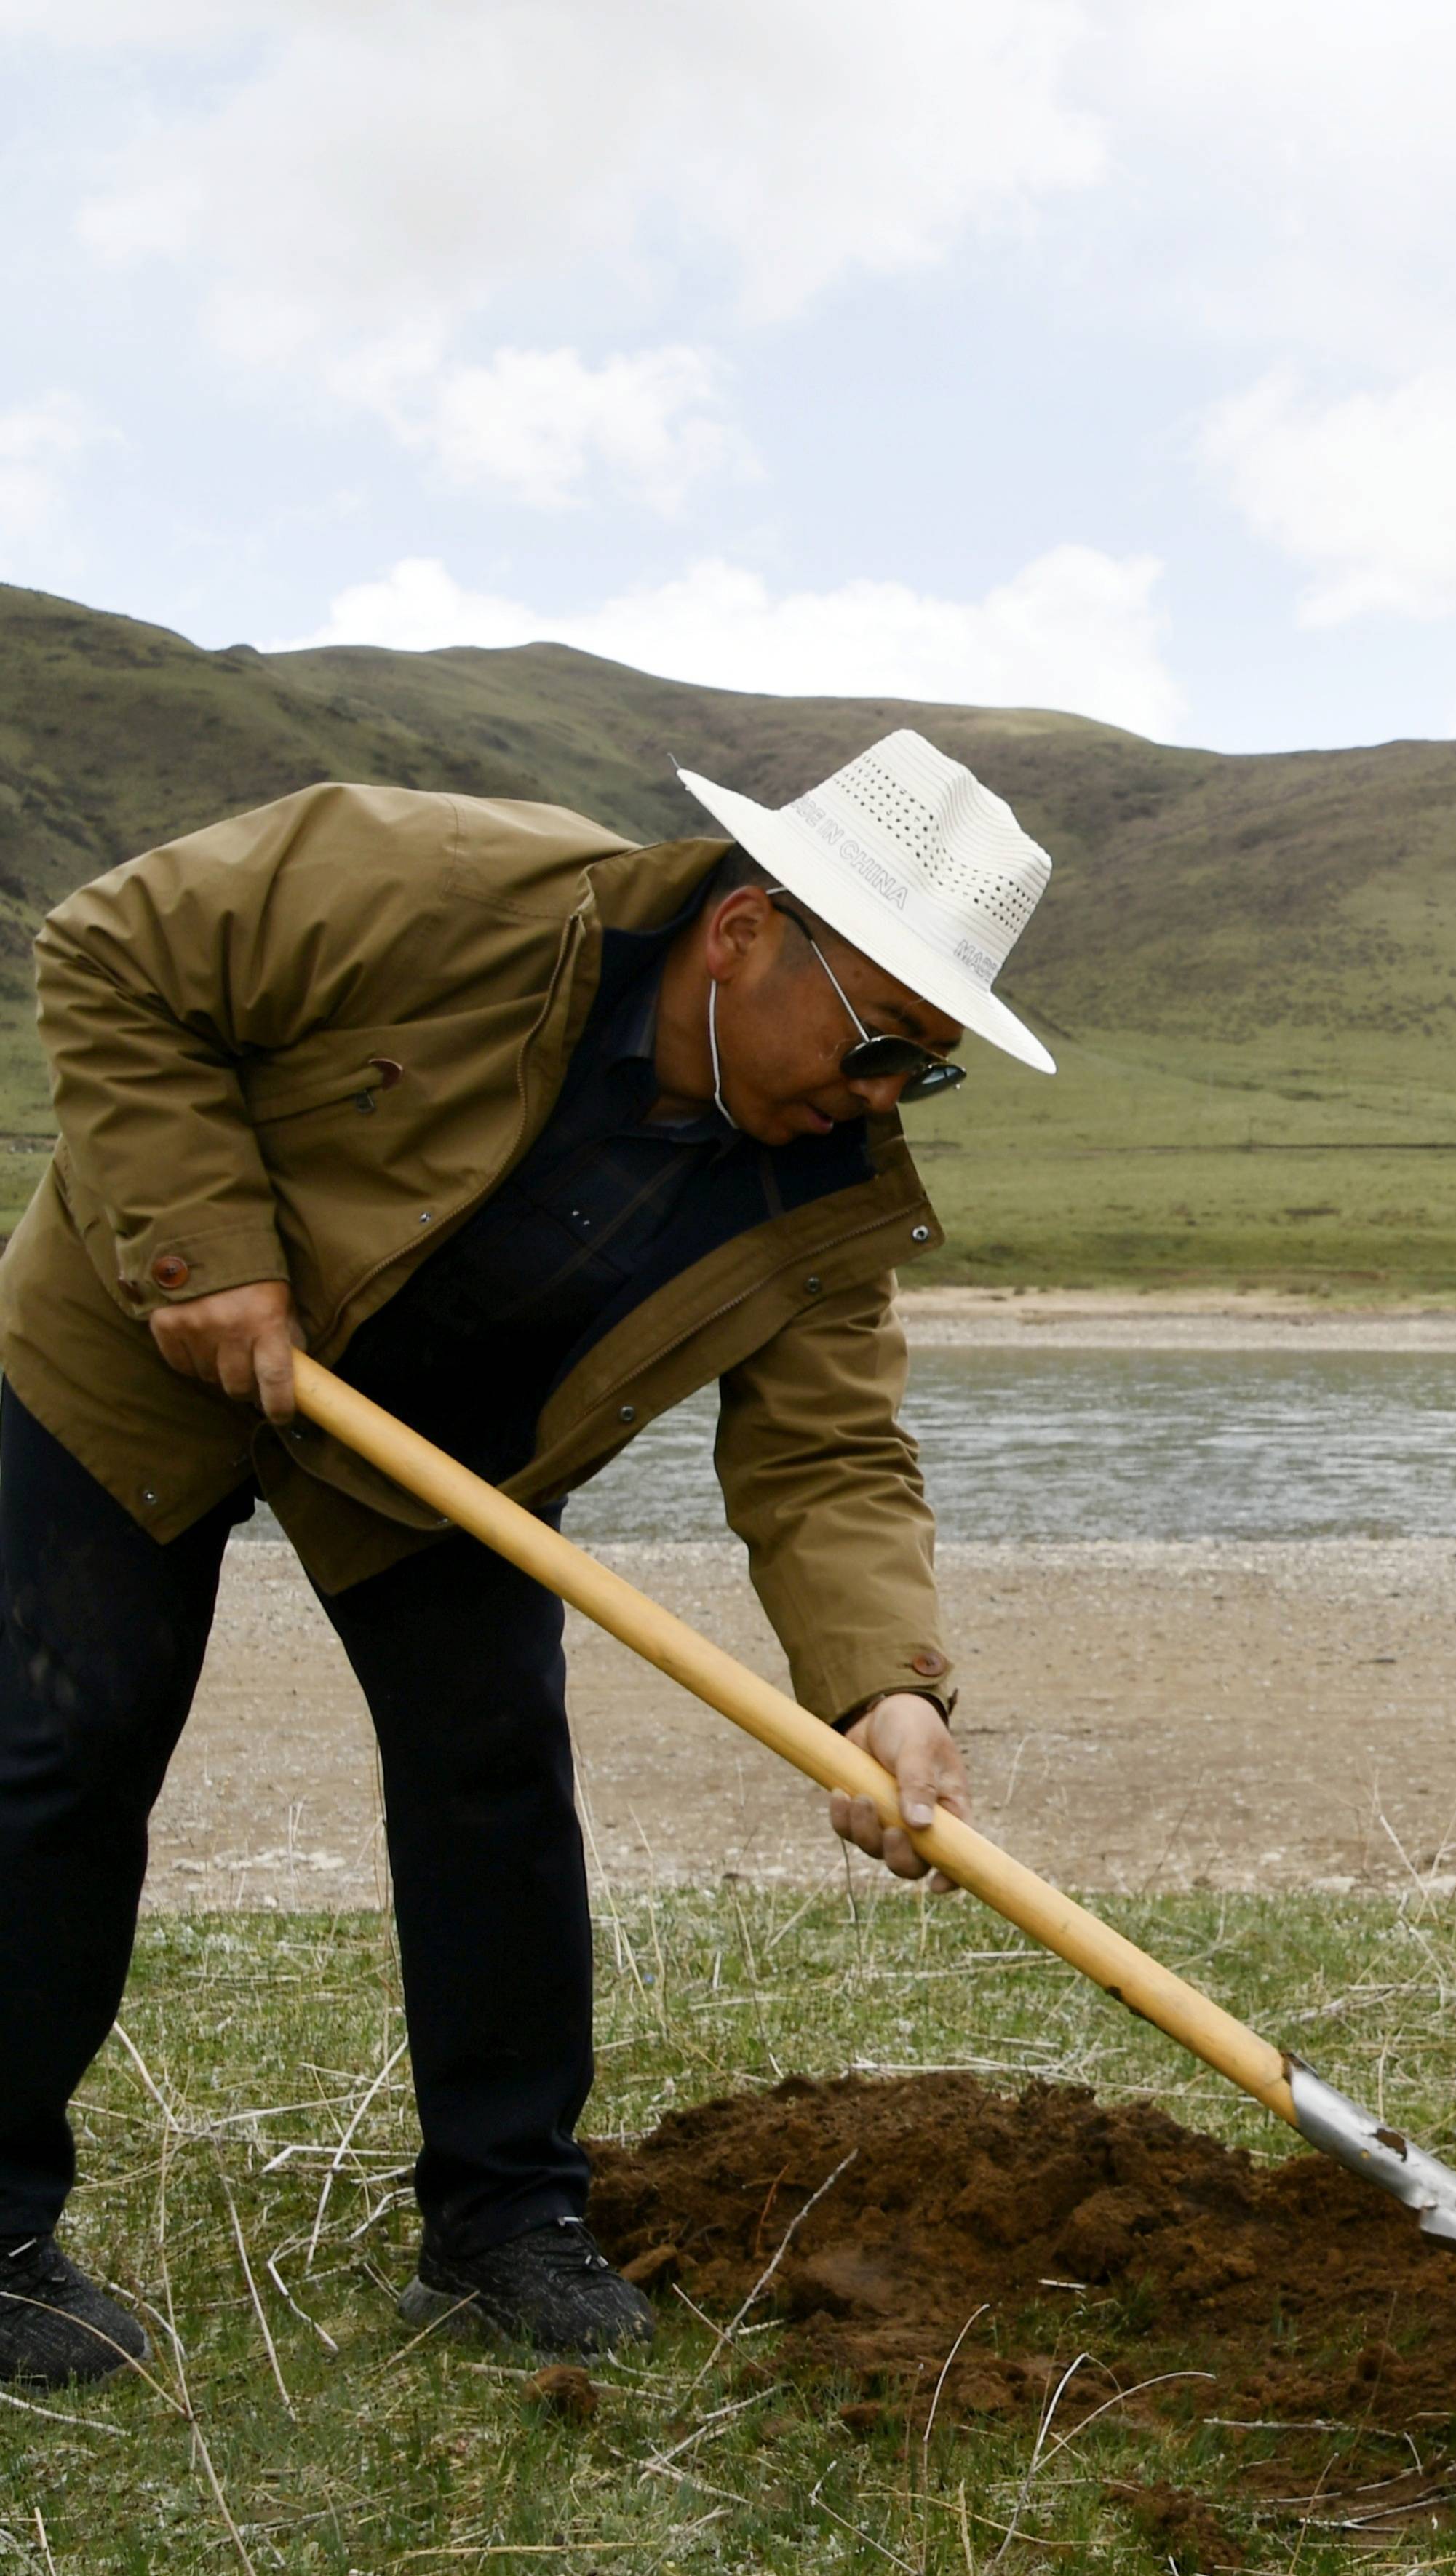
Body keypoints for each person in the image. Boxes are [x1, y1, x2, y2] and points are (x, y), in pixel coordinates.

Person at [0, 734, 1059, 2385]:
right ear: (742, 932)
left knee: (493, 1779)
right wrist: (202, 1247)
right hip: (147, 1338)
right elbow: (113, 945)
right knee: (60, 1753)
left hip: (439, 1457)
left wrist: (883, 1690)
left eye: (922, 1071)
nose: (876, 1098)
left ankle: (504, 2226)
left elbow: (829, 1456)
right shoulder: (435, 885)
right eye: (874, 1045)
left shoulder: (826, 1197)